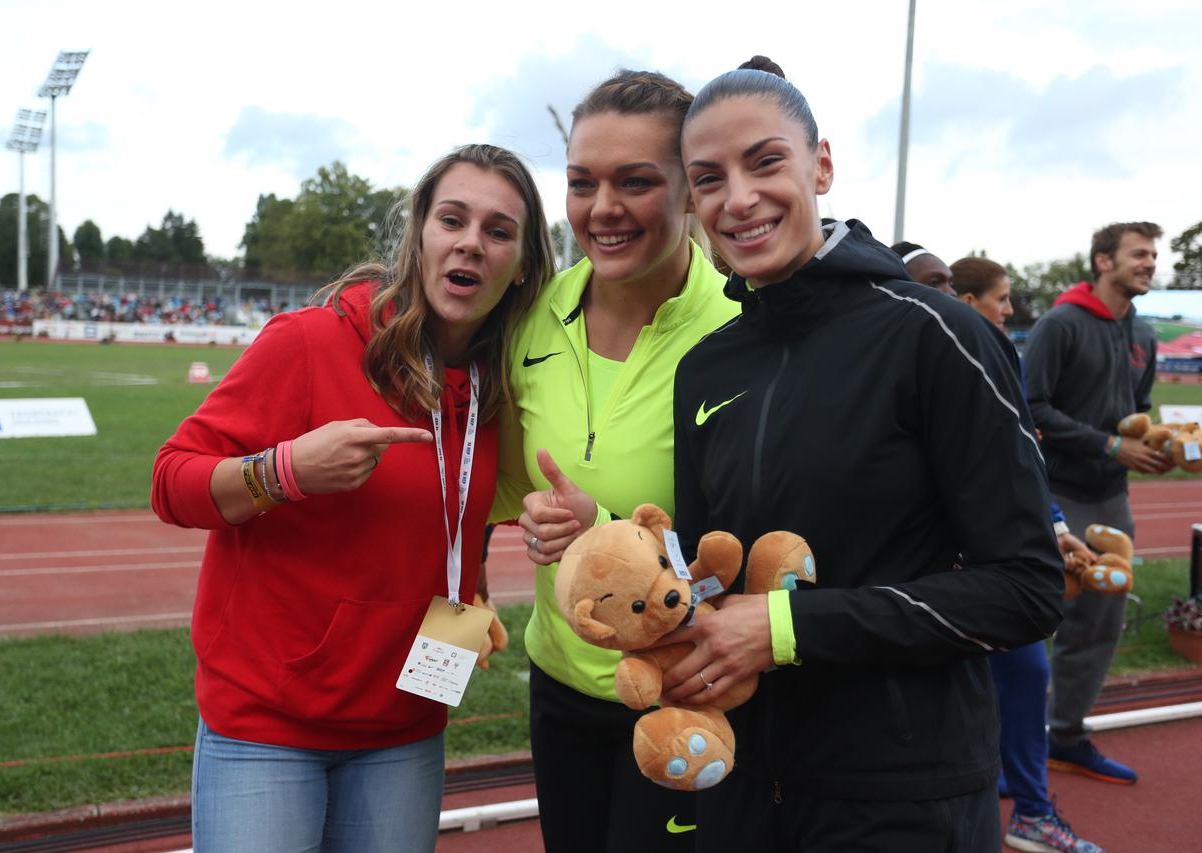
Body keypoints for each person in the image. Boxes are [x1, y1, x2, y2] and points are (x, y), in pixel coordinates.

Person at [659, 59, 1064, 851]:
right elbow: (705, 565)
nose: (738, 198)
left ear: (822, 166)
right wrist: (656, 603)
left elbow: (1025, 588)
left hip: (902, 792)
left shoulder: (934, 333)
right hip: (742, 780)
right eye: (708, 179)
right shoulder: (705, 367)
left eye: (765, 162)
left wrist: (786, 628)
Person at [150, 144, 554, 853]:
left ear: (521, 264)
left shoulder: (501, 384)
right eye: (452, 220)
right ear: (419, 235)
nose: (470, 242)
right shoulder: (310, 342)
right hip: (268, 727)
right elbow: (171, 481)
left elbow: (464, 510)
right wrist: (285, 471)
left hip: (405, 728)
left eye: (498, 231)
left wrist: (470, 592)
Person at [489, 70, 738, 852]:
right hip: (560, 683)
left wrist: (602, 529)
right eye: (581, 182)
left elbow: (754, 548)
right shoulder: (530, 317)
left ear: (691, 188)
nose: (602, 208)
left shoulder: (740, 328)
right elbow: (495, 481)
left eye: (635, 181)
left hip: (684, 690)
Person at [953, 255, 1105, 853]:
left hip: (995, 556)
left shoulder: (1000, 357)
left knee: (1024, 671)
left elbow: (1024, 457)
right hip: (940, 563)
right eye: (1002, 298)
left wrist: (1056, 524)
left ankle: (1030, 808)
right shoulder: (902, 354)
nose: (1010, 309)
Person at [1025, 221, 1172, 787]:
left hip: (1112, 499)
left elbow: (1138, 411)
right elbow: (1029, 406)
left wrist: (1154, 447)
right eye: (1139, 253)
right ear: (1103, 261)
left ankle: (1064, 736)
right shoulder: (1060, 324)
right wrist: (1109, 445)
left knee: (1101, 622)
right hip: (1054, 496)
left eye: (1153, 254)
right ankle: (995, 742)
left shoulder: (1144, 332)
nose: (1150, 263)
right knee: (1026, 619)